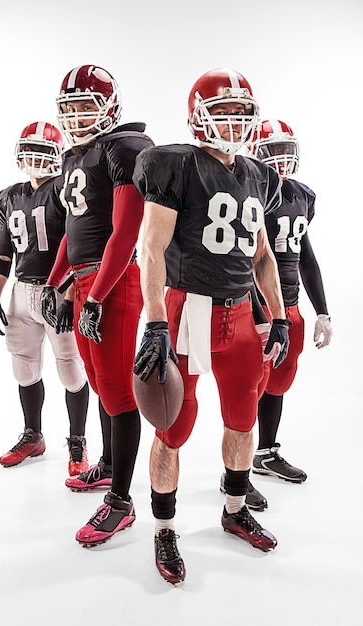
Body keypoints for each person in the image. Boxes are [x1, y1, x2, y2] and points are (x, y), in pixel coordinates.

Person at [132, 68, 290, 585]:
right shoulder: (175, 163)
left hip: (241, 312)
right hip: (188, 309)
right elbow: (150, 247)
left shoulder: (257, 174)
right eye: (223, 112)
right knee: (173, 425)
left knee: (243, 417)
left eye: (242, 113)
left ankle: (234, 505)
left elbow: (263, 255)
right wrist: (155, 321)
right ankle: (164, 527)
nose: (234, 121)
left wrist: (281, 314)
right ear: (198, 115)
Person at [40, 64, 154, 547]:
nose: (78, 117)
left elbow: (126, 234)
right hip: (87, 280)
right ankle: (108, 466)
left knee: (116, 390)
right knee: (97, 379)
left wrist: (99, 293)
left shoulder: (127, 147)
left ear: (110, 105)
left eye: (87, 106)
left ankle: (123, 503)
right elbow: (73, 231)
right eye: (71, 109)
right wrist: (55, 282)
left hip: (116, 279)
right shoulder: (75, 157)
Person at [0, 121, 90, 477]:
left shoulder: (66, 190)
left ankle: (77, 441)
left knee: (71, 368)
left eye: (42, 151)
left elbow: (80, 245)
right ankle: (33, 435)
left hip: (59, 287)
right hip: (21, 291)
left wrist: (70, 295)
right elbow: (3, 253)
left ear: (57, 157)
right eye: (28, 150)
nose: (34, 158)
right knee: (24, 366)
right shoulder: (9, 196)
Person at [246, 119, 333, 483]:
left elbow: (306, 257)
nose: (281, 161)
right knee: (247, 386)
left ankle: (266, 453)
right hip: (257, 308)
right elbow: (241, 260)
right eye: (273, 151)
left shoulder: (301, 195)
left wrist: (323, 312)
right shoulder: (248, 194)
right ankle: (235, 471)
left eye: (286, 151)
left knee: (278, 381)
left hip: (291, 306)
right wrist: (257, 312)